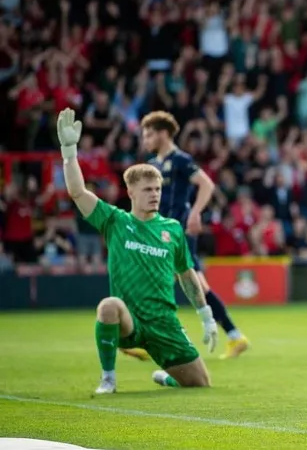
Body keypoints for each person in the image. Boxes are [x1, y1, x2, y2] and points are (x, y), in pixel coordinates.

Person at [56, 108, 217, 394]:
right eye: (147, 189)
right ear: (130, 192)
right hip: (129, 320)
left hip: (164, 322)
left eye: (157, 189)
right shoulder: (115, 221)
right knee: (107, 307)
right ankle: (108, 379)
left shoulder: (173, 229)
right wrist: (69, 152)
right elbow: (78, 192)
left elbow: (187, 274)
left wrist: (205, 314)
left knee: (200, 383)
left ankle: (167, 376)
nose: (155, 194)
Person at [120, 111, 249, 361]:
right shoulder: (153, 164)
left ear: (163, 133)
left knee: (149, 278)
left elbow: (207, 184)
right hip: (158, 232)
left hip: (176, 233)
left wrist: (195, 213)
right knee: (197, 285)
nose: (145, 139)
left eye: (148, 134)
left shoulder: (180, 160)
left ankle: (136, 335)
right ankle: (234, 335)